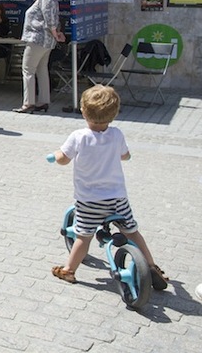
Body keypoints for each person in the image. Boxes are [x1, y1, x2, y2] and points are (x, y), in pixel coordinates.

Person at [49, 85, 168, 289]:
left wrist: (55, 155)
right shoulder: (116, 135)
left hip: (88, 200)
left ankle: (69, 270)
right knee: (132, 232)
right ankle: (151, 266)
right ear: (114, 113)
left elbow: (63, 159)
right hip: (117, 199)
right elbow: (125, 155)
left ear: (84, 111)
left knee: (83, 237)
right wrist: (126, 156)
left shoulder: (79, 136)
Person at [14, 0, 64, 113]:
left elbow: (50, 19)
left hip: (38, 38)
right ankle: (43, 101)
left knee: (28, 70)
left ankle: (28, 103)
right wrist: (56, 34)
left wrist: (55, 33)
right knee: (42, 70)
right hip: (46, 41)